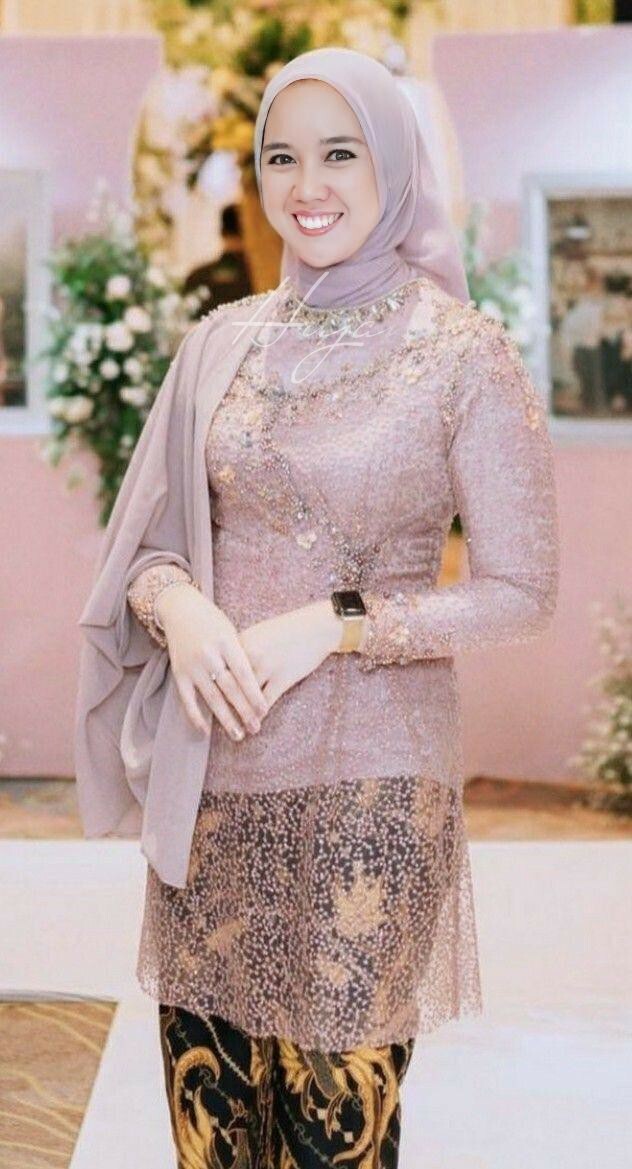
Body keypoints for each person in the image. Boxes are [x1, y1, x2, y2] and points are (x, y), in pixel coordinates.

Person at [75, 47, 560, 1168]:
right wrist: (181, 608)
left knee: (332, 1137)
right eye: (281, 156)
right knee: (211, 1128)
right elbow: (146, 548)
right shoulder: (222, 343)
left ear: (392, 161)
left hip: (370, 793)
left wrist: (338, 622)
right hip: (216, 781)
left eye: (339, 153)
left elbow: (519, 592)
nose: (307, 185)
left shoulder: (461, 353)